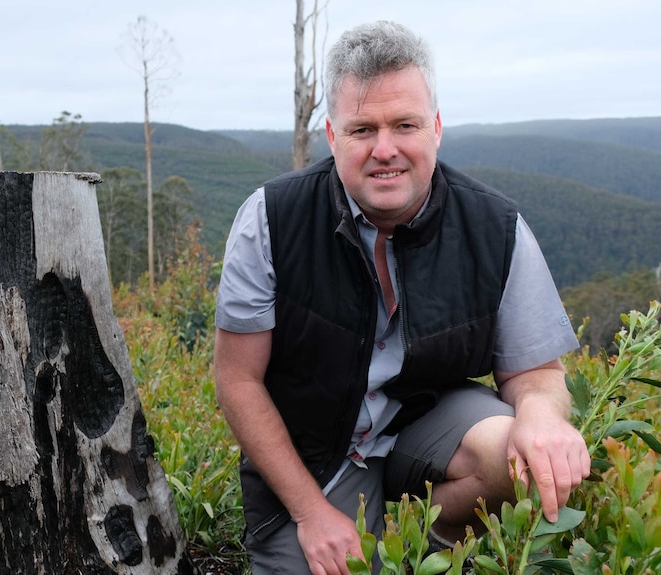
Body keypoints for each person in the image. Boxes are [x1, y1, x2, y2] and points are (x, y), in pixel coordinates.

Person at [213, 20, 591, 575]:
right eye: (363, 129)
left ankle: (410, 541)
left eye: (405, 125)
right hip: (316, 455)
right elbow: (237, 380)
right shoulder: (271, 220)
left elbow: (537, 372)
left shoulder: (495, 227)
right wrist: (310, 512)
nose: (385, 149)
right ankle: (354, 528)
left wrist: (540, 414)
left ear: (436, 127)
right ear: (332, 135)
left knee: (517, 452)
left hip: (422, 424)